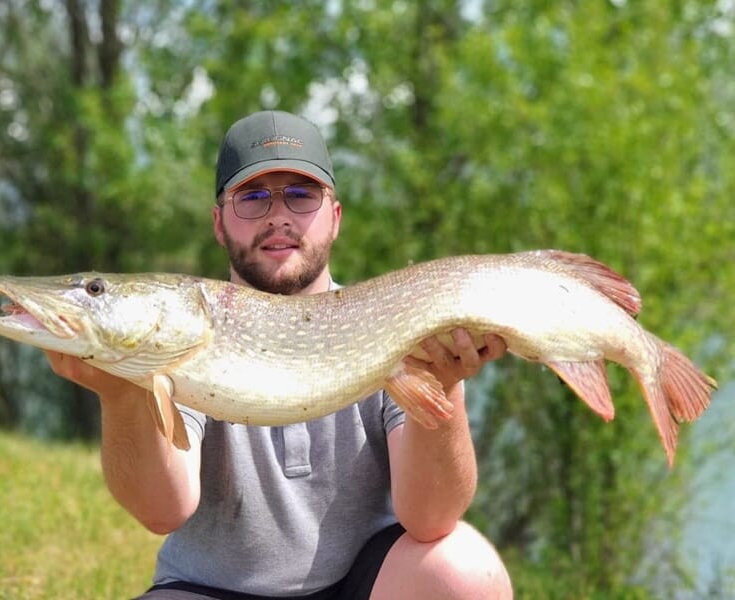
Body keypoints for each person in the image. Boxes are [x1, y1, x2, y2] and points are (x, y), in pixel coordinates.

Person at [47, 110, 513, 599]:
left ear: (334, 217)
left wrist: (444, 383)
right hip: (210, 589)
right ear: (218, 223)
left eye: (301, 194)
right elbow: (162, 511)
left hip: (362, 582)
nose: (278, 216)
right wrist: (121, 396)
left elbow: (431, 518)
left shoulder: (390, 321)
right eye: (252, 197)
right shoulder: (183, 329)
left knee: (466, 575)